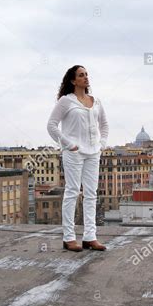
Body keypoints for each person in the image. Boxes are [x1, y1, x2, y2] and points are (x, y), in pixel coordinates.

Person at [47, 65, 109, 252]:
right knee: (72, 192)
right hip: (74, 152)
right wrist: (68, 144)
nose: (85, 77)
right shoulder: (66, 101)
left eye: (87, 74)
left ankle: (90, 237)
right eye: (81, 75)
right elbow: (51, 126)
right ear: (73, 80)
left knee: (91, 194)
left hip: (93, 153)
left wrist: (101, 145)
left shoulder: (95, 101)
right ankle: (69, 238)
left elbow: (104, 125)